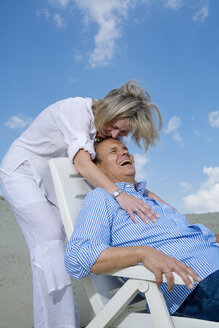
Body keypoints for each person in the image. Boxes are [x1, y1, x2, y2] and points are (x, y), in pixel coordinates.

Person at [0, 81, 164, 328]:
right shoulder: (77, 111)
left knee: (77, 235)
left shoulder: (104, 131)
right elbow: (83, 164)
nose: (117, 136)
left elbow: (116, 175)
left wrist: (157, 201)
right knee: (49, 241)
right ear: (110, 111)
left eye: (123, 134)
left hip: (51, 182)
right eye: (117, 129)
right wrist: (120, 196)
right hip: (21, 173)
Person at [65, 138, 219, 322]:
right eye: (113, 152)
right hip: (194, 290)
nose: (124, 152)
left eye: (125, 149)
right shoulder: (102, 198)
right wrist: (142, 253)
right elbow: (77, 256)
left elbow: (201, 239)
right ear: (98, 169)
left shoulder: (152, 200)